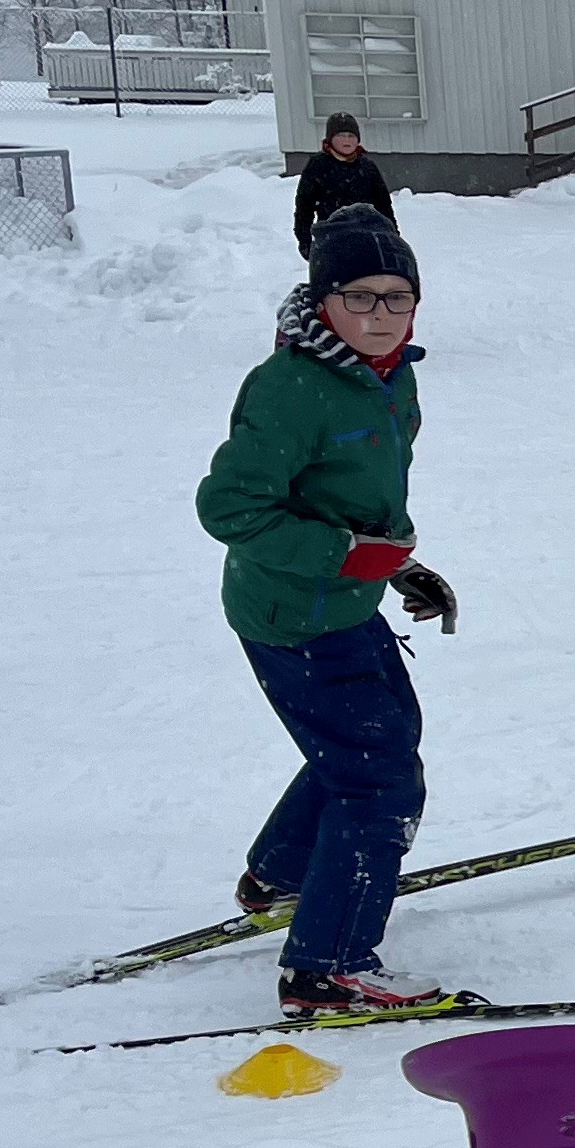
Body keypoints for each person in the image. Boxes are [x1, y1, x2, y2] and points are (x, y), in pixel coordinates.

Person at [195, 205, 463, 1015]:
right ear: (322, 300)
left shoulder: (389, 376)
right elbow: (229, 510)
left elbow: (359, 498)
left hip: (346, 601)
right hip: (292, 615)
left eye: (397, 298)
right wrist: (346, 557)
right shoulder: (290, 389)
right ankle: (328, 966)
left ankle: (277, 876)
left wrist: (398, 564)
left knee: (383, 746)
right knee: (378, 781)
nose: (380, 316)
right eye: (360, 297)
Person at [290, 113, 392, 256]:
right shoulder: (318, 166)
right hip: (330, 239)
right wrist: (304, 239)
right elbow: (304, 206)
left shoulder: (367, 167)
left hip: (366, 237)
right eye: (341, 135)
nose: (346, 140)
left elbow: (383, 205)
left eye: (351, 136)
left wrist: (392, 235)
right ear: (330, 139)